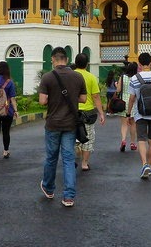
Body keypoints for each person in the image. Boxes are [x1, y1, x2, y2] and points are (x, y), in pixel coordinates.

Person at [38, 47, 87, 207]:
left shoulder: (47, 77)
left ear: (54, 59)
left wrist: (54, 97)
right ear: (66, 59)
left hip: (53, 123)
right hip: (70, 124)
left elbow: (42, 101)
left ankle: (49, 188)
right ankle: (69, 196)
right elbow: (83, 99)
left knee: (51, 158)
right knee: (68, 159)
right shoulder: (77, 76)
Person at [126, 52, 151, 179]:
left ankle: (144, 164)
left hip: (140, 114)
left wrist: (128, 113)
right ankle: (149, 165)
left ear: (139, 64)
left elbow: (132, 99)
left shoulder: (134, 79)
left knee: (141, 140)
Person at [73, 53, 106, 171]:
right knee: (88, 138)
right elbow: (96, 96)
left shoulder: (70, 75)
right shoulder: (91, 77)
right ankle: (84, 163)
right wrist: (101, 113)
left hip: (72, 112)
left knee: (71, 136)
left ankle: (75, 148)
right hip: (87, 113)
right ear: (87, 64)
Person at [118, 62, 138, 151]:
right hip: (133, 102)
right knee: (133, 124)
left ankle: (123, 140)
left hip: (123, 103)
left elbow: (118, 90)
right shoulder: (137, 78)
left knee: (124, 124)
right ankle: (133, 143)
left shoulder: (122, 77)